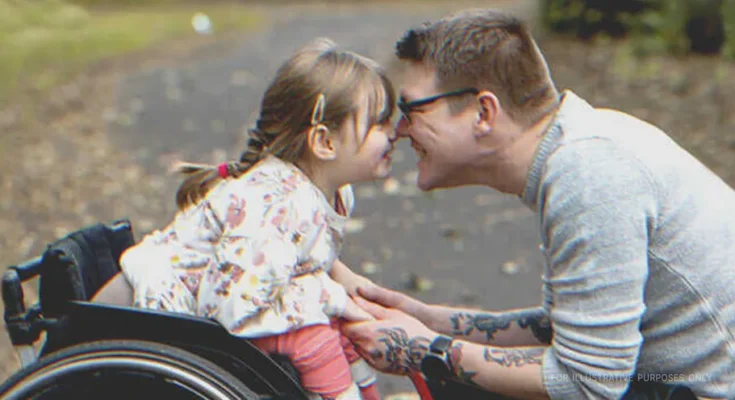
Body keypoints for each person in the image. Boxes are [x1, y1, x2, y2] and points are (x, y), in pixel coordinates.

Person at [340, 8, 735, 400]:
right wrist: (427, 320)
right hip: (664, 384)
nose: (400, 129)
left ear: (484, 112)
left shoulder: (589, 175)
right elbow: (559, 330)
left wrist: (426, 349)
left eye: (412, 110)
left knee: (461, 380)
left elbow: (587, 383)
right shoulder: (575, 149)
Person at [118, 37, 398, 400]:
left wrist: (345, 282)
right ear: (325, 143)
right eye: (379, 123)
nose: (395, 132)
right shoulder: (277, 205)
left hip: (228, 296)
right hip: (159, 315)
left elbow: (300, 253)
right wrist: (330, 295)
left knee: (342, 329)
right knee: (317, 335)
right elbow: (234, 305)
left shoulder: (333, 192)